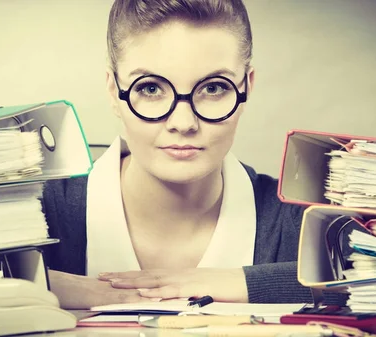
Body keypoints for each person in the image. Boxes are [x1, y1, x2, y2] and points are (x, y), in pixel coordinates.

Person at [42, 0, 343, 309]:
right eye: (149, 88)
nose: (183, 124)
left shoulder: (300, 223)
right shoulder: (39, 211)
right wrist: (42, 285)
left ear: (247, 88)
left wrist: (240, 282)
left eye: (213, 88)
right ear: (113, 93)